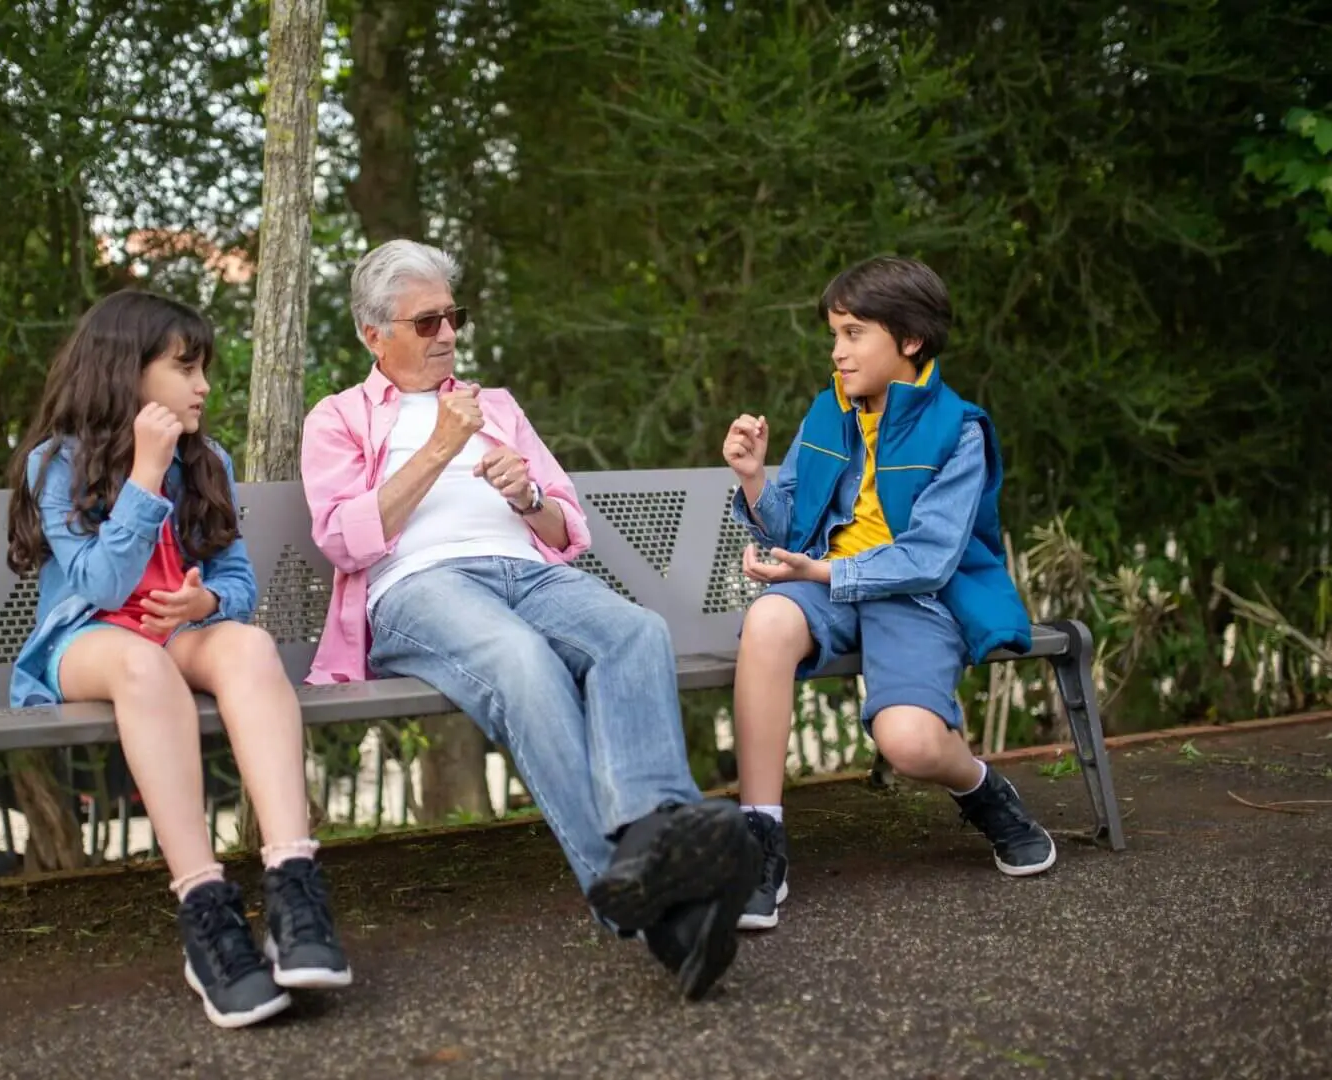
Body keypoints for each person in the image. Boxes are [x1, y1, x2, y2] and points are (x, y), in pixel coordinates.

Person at [300, 239, 760, 1000]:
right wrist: (439, 447)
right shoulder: (339, 418)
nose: (448, 333)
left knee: (633, 631)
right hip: (418, 588)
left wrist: (526, 498)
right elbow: (343, 541)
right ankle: (633, 893)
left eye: (454, 316)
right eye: (426, 322)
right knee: (520, 660)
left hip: (526, 570)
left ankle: (651, 840)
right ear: (372, 334)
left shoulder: (499, 407)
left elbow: (564, 530)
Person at [5, 289, 351, 1028]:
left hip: (175, 633)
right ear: (126, 371)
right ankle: (204, 909)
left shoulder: (208, 459)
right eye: (184, 368)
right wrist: (144, 473)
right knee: (139, 662)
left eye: (204, 370)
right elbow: (100, 584)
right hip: (87, 643)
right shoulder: (56, 463)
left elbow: (239, 584)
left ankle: (293, 886)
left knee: (249, 646)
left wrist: (204, 606)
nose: (202, 386)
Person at [722, 255, 1056, 932]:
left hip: (914, 598)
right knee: (766, 623)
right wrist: (755, 479)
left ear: (908, 340)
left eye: (852, 334)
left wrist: (821, 573)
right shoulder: (828, 412)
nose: (836, 352)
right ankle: (760, 839)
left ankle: (982, 790)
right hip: (830, 589)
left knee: (909, 743)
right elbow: (794, 522)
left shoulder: (959, 429)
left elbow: (930, 557)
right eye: (833, 334)